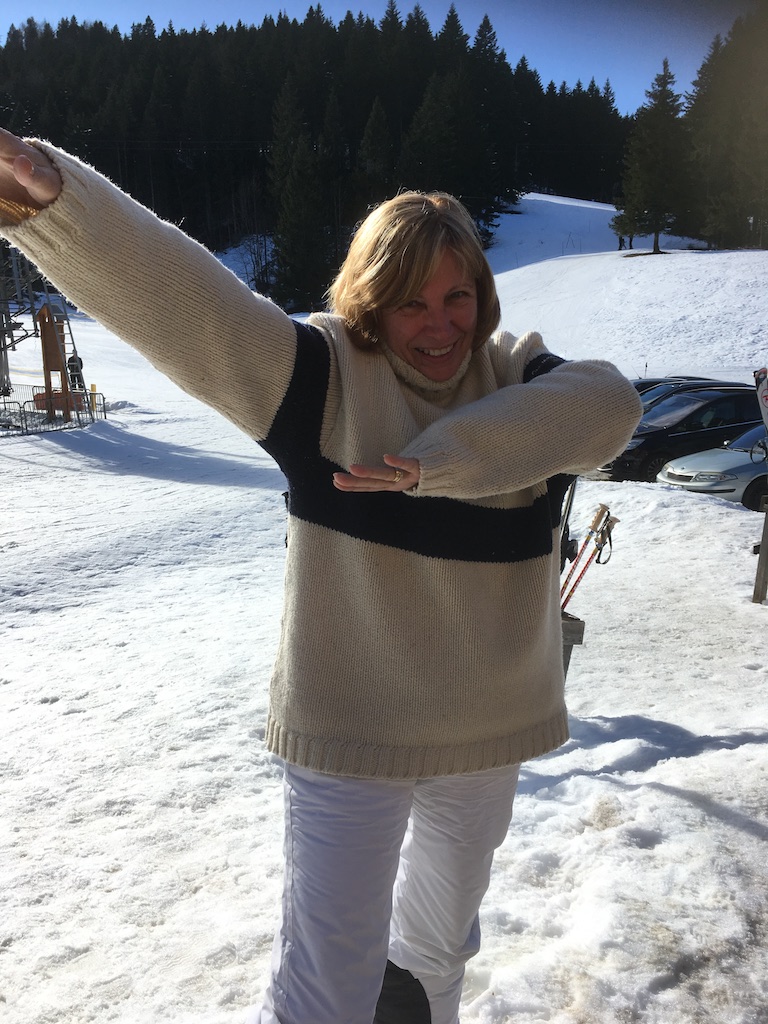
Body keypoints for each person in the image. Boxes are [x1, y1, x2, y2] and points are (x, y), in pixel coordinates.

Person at [0, 127, 642, 1024]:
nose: (441, 325)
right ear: (370, 301)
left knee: (439, 952)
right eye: (411, 303)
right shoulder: (319, 377)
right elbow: (190, 305)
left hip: (486, 731)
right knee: (327, 982)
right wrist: (60, 205)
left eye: (458, 296)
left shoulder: (511, 370)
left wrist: (440, 462)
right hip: (351, 730)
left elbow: (612, 407)